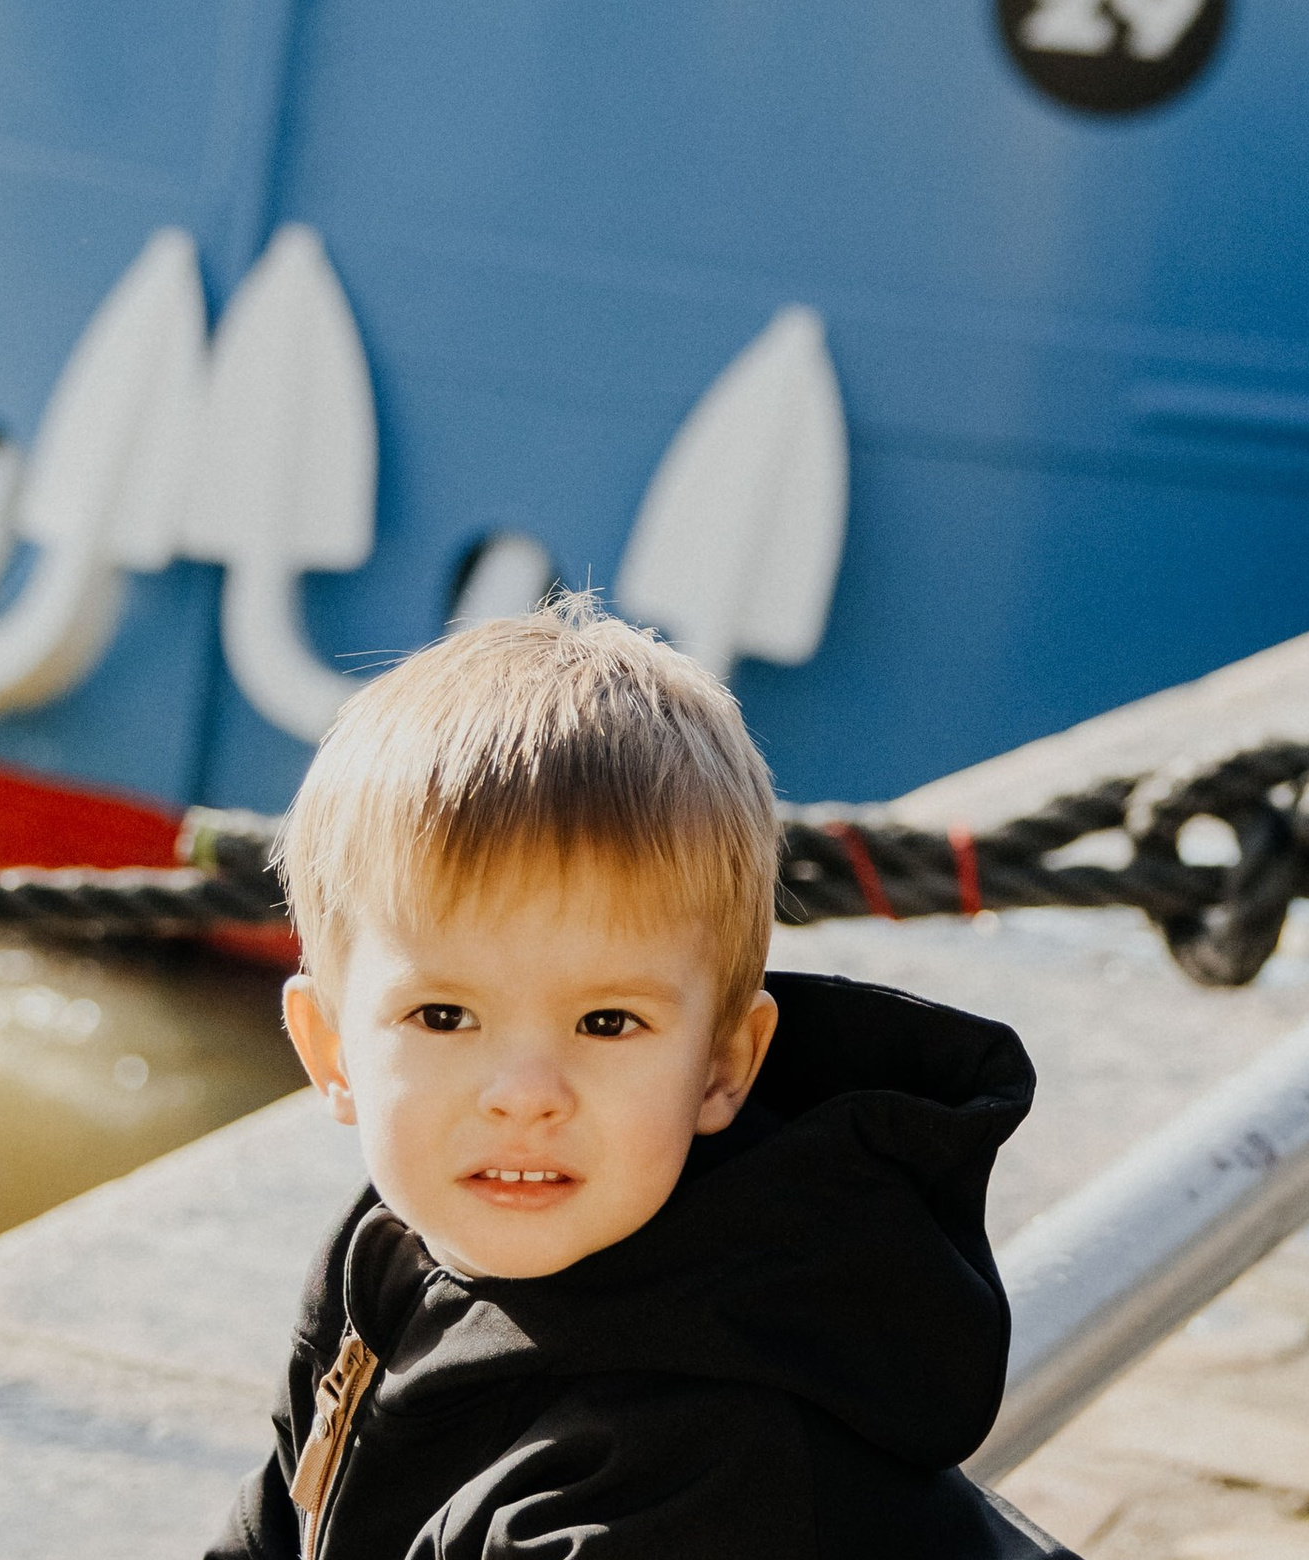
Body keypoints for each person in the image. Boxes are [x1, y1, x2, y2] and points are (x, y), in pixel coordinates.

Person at [205, 596, 1071, 1559]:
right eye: (444, 1016)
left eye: (606, 1022)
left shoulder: (702, 1470)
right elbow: (279, 1521)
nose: (524, 1092)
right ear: (330, 1053)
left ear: (720, 1066)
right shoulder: (384, 1256)